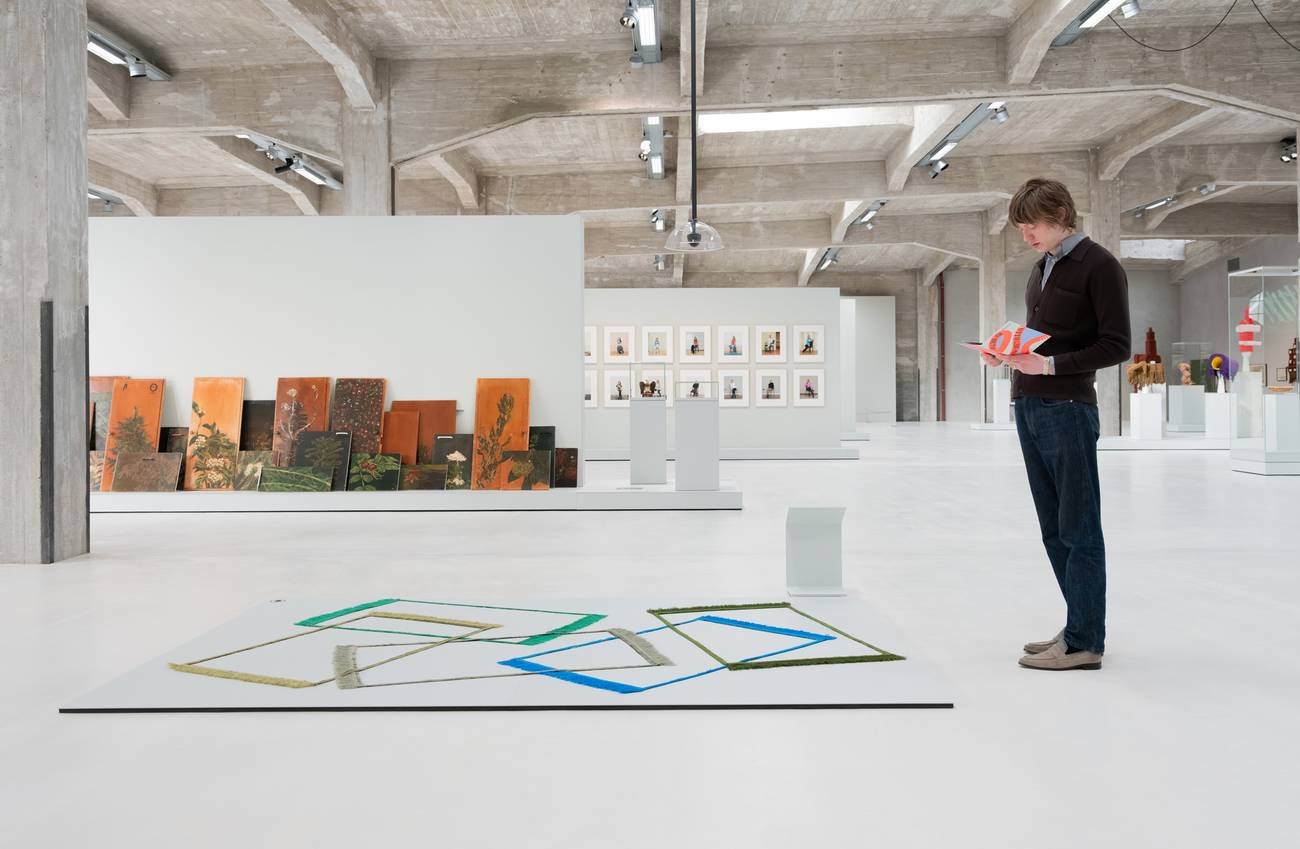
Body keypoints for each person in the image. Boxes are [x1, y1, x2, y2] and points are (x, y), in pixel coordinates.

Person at [988, 178, 1130, 671]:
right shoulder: (1042, 266)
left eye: (1033, 225)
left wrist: (1048, 366)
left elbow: (1116, 345)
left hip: (1067, 408)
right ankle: (1078, 624)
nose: (1026, 235)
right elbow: (1043, 338)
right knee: (1053, 528)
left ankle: (1085, 642)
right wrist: (1006, 353)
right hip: (1029, 405)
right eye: (1021, 227)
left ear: (1062, 217)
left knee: (1078, 527)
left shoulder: (1100, 265)